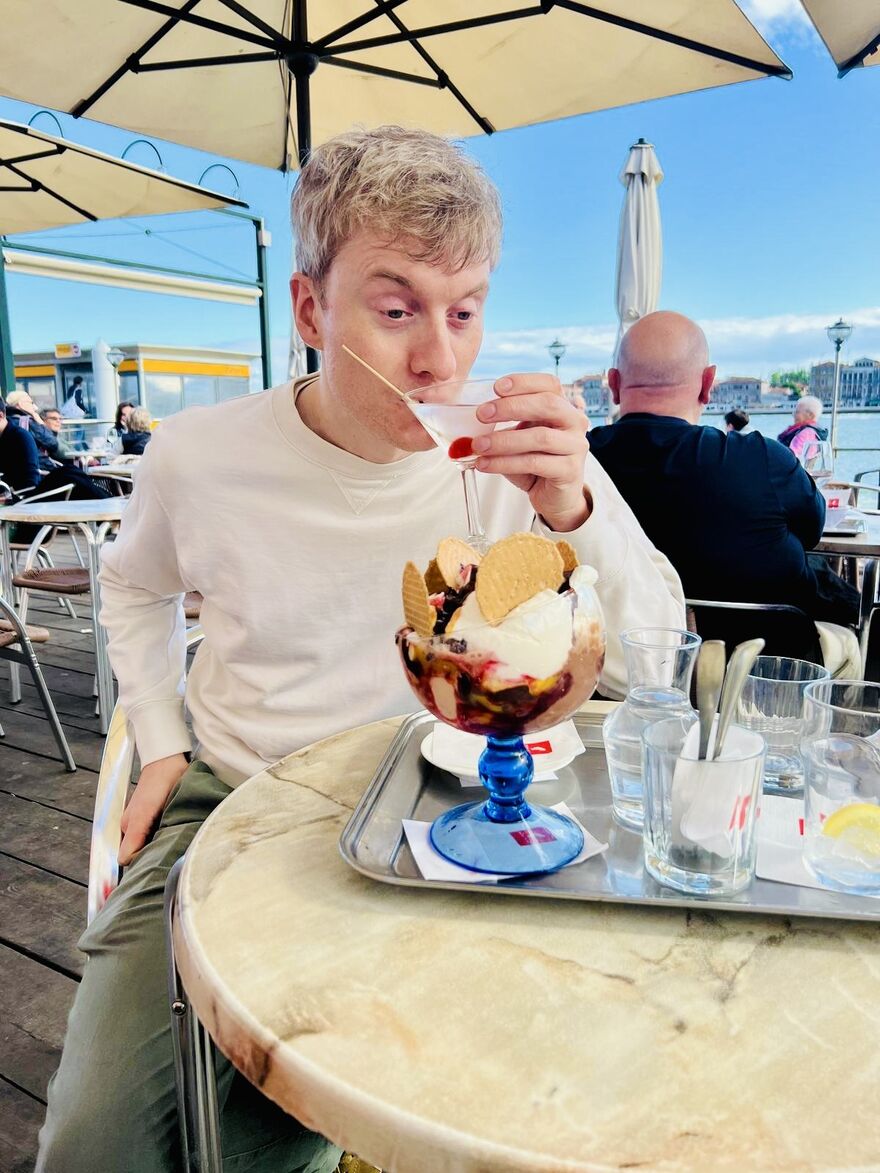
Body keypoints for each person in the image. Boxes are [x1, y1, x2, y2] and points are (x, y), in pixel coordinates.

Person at [37, 126, 684, 1173]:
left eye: (464, 311)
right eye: (394, 311)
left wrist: (571, 506)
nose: (439, 357)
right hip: (239, 797)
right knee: (98, 1142)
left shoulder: (518, 461)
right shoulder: (202, 458)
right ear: (309, 312)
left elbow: (656, 661)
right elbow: (134, 583)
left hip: (462, 809)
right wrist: (159, 736)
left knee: (515, 1109)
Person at [588, 310, 860, 670]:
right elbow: (811, 530)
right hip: (767, 671)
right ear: (707, 382)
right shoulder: (764, 459)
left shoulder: (577, 464)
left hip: (623, 668)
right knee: (849, 641)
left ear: (614, 382)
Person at [777, 395, 827, 462]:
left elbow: (792, 457)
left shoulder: (806, 433)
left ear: (810, 415)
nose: (794, 415)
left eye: (797, 412)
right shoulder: (816, 432)